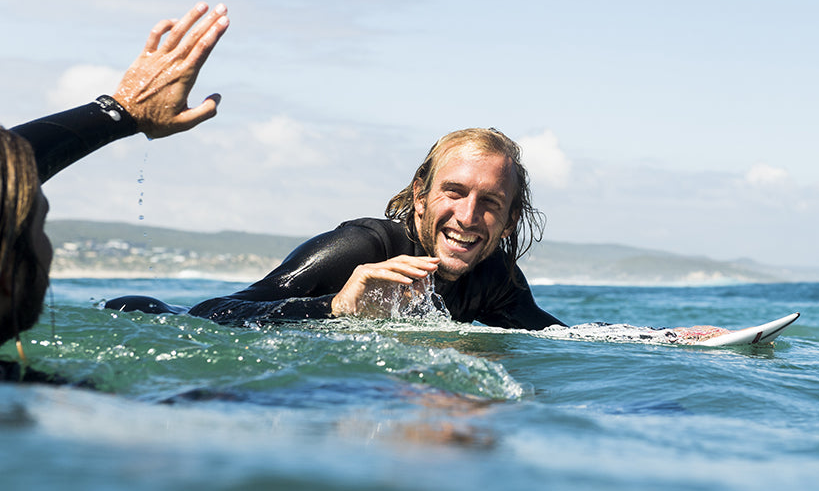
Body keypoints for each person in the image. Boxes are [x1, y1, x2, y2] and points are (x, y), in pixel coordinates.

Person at [108, 127, 564, 330]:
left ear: (510, 222)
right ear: (421, 196)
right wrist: (337, 305)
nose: (467, 216)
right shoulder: (359, 248)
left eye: (490, 203)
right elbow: (213, 314)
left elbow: (561, 339)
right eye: (454, 192)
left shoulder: (494, 279)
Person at [1, 2, 230, 375]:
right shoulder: (46, 394)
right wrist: (121, 112)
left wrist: (122, 111)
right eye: (40, 226)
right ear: (6, 282)